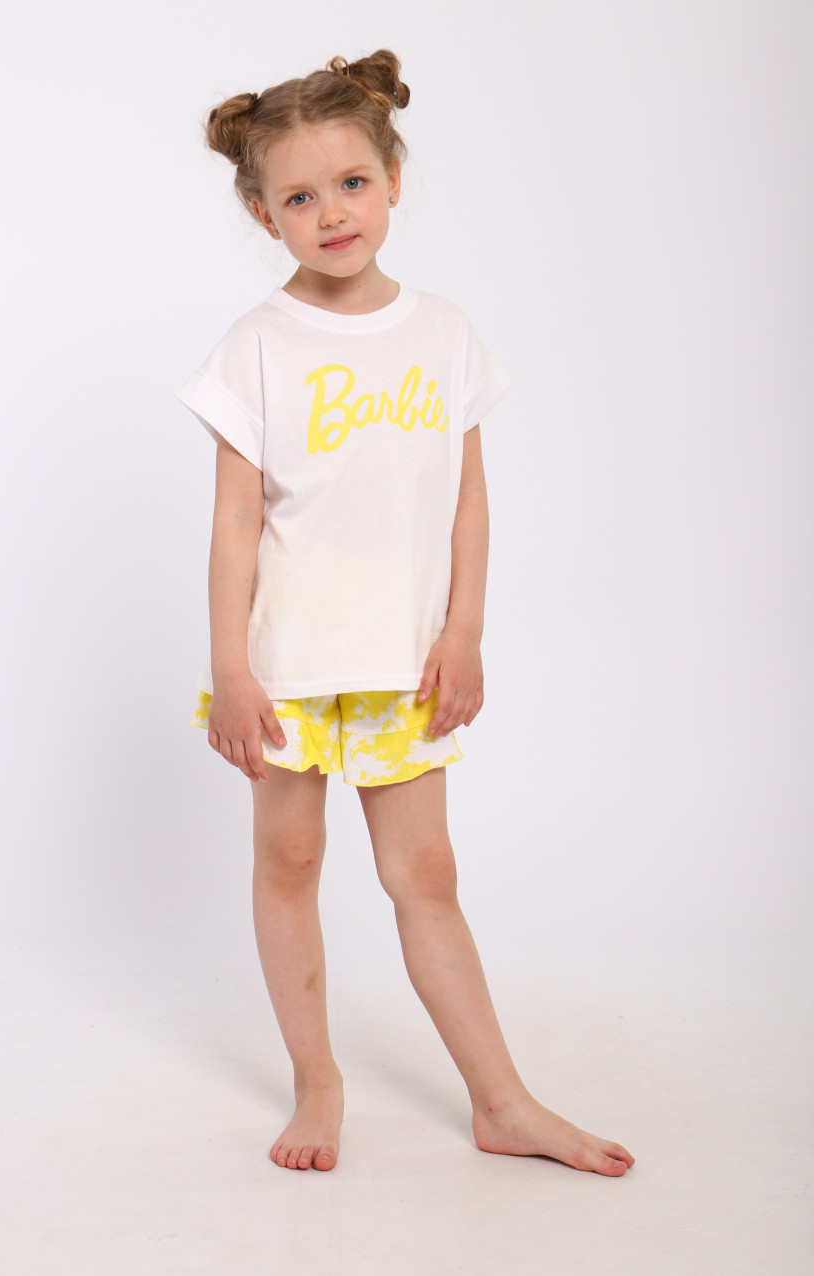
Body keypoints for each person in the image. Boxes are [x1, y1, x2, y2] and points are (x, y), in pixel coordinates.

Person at [176, 50, 634, 1177]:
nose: (332, 213)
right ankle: (317, 1080)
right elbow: (234, 525)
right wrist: (232, 671)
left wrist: (463, 631)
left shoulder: (444, 332)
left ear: (391, 180)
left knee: (425, 876)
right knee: (289, 860)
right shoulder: (256, 347)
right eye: (299, 197)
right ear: (263, 214)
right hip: (288, 667)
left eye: (352, 184)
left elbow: (468, 503)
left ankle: (502, 1100)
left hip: (403, 662)